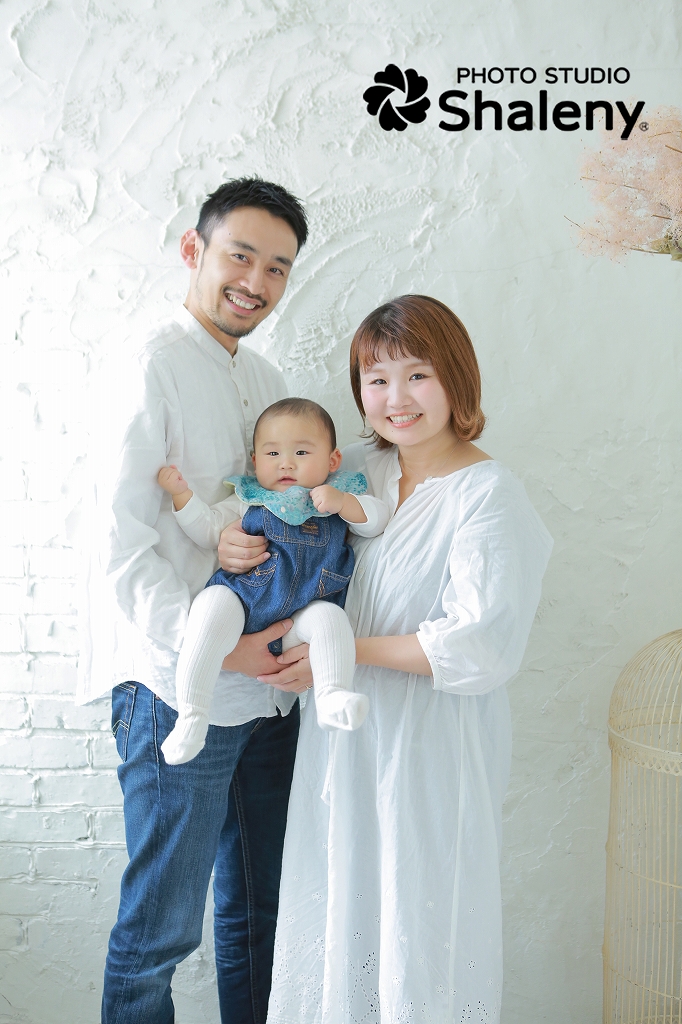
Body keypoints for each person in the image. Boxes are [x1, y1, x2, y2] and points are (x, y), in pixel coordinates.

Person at [220, 294, 553, 1024]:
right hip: (343, 737)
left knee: (418, 916)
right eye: (377, 380)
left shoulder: (487, 495)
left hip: (432, 741)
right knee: (338, 901)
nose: (396, 398)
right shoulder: (355, 474)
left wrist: (339, 653)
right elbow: (274, 534)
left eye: (418, 375)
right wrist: (232, 541)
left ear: (457, 379)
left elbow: (478, 644)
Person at [79, 177, 318, 1024]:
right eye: (240, 256)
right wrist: (213, 647)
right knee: (158, 937)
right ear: (194, 249)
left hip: (265, 698)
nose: (256, 281)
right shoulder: (151, 364)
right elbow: (117, 545)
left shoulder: (267, 376)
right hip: (173, 690)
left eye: (277, 267)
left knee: (261, 917)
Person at [156, 397, 390, 765]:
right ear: (255, 460)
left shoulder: (339, 495)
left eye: (301, 452)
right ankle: (192, 715)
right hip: (243, 600)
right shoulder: (250, 498)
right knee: (208, 609)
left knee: (332, 621)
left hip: (303, 614)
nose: (286, 463)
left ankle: (332, 695)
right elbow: (208, 529)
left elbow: (377, 520)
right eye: (273, 453)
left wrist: (344, 502)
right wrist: (182, 496)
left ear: (332, 461)